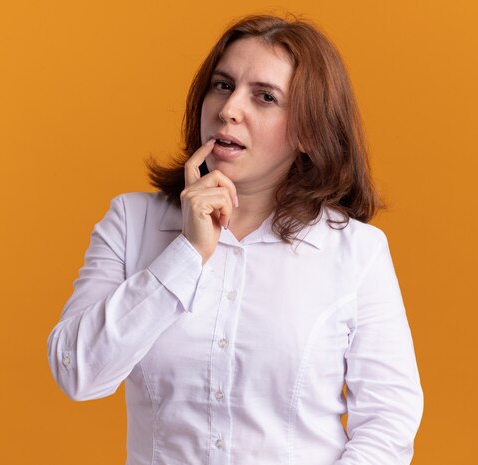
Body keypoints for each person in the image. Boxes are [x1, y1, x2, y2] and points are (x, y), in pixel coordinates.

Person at [47, 14, 424, 465]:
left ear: (308, 131)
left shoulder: (356, 251)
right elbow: (77, 373)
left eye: (265, 97)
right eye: (223, 85)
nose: (229, 109)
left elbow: (389, 423)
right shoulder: (131, 221)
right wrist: (186, 254)